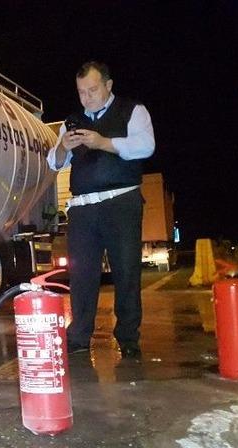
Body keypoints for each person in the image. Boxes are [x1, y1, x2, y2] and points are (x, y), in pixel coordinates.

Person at [46, 61, 155, 358]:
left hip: (121, 201)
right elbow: (54, 163)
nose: (87, 97)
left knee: (126, 270)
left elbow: (146, 146)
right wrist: (63, 147)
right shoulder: (74, 120)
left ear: (108, 85)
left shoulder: (132, 110)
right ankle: (79, 335)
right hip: (83, 208)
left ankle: (128, 336)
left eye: (93, 90)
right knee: (81, 275)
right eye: (81, 92)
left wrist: (103, 142)